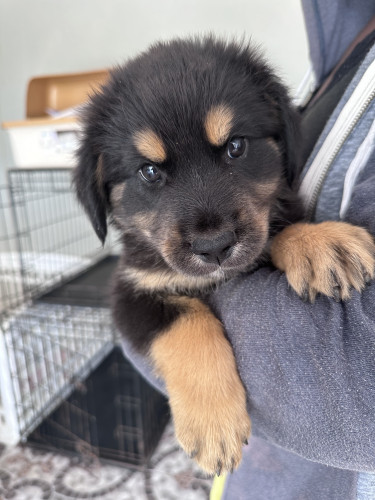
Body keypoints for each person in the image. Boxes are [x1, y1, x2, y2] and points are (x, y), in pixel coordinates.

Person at [121, 1, 375, 498]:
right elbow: (136, 302)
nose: (212, 233)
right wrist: (194, 356)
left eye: (234, 148)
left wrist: (290, 238)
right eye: (152, 172)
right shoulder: (339, 49)